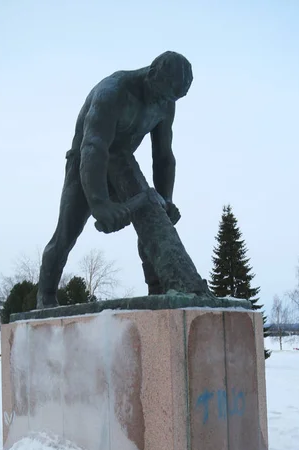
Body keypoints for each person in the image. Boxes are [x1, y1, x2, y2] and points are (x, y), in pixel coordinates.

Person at [37, 51, 193, 308]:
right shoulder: (113, 93)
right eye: (162, 94)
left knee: (153, 219)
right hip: (86, 165)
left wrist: (166, 199)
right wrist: (99, 203)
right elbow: (93, 148)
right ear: (152, 74)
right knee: (66, 233)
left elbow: (164, 156)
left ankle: (159, 288)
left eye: (172, 98)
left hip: (122, 163)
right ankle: (46, 296)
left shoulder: (166, 101)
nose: (164, 102)